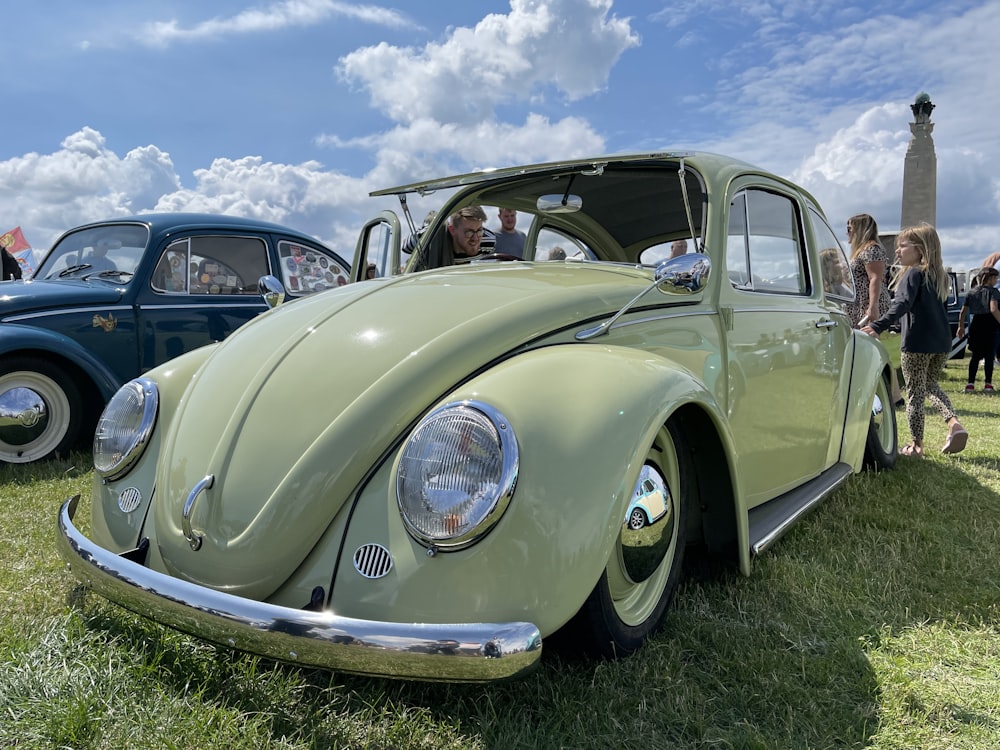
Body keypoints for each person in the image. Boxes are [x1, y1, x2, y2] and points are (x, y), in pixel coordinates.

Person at [862, 223, 968, 457]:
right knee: (930, 386)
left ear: (920, 249)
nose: (897, 251)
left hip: (917, 343)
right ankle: (954, 424)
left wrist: (877, 326)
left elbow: (902, 304)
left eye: (902, 246)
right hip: (941, 343)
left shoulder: (913, 273)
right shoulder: (937, 276)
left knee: (915, 394)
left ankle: (916, 445)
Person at [844, 213, 902, 404]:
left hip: (867, 306)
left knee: (876, 348)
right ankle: (891, 395)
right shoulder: (861, 250)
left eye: (850, 228)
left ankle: (893, 395)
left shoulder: (871, 249)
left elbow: (875, 278)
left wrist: (872, 307)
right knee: (871, 348)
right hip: (859, 305)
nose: (847, 232)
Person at [956, 266, 1000, 392]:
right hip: (991, 326)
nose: (996, 280)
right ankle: (988, 384)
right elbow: (993, 309)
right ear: (990, 278)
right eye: (995, 278)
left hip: (976, 325)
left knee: (975, 356)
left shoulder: (972, 292)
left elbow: (963, 311)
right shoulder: (993, 292)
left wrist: (961, 326)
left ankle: (970, 384)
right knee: (989, 355)